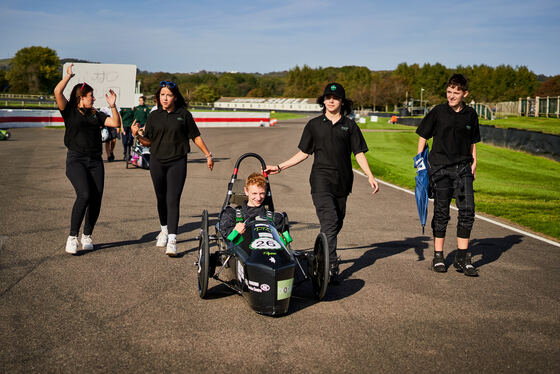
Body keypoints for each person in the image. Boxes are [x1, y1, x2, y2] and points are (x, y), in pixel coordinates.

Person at [265, 82, 379, 284]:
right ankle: (330, 265)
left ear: (342, 102)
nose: (331, 100)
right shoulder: (314, 125)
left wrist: (369, 175)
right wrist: (280, 167)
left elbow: (358, 153)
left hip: (343, 182)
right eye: (327, 97)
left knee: (336, 222)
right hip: (320, 181)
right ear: (323, 100)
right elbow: (303, 153)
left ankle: (320, 255)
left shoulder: (350, 125)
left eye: (335, 98)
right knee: (330, 220)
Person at [131, 80, 214, 256]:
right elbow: (148, 141)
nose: (165, 98)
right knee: (161, 198)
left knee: (172, 199)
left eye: (168, 95)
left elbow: (195, 137)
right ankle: (164, 230)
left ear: (175, 97)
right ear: (158, 97)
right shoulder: (154, 116)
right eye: (162, 95)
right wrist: (137, 135)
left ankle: (173, 240)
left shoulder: (183, 114)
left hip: (177, 161)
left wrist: (207, 155)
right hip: (157, 161)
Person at [416, 73, 480, 276]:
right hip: (440, 168)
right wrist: (420, 163)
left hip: (463, 168)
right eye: (449, 92)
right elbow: (423, 137)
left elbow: (473, 142)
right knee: (442, 212)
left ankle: (462, 257)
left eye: (456, 92)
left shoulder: (471, 115)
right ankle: (438, 256)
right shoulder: (438, 112)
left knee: (468, 210)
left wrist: (474, 162)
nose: (451, 96)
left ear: (465, 93)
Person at [54, 63, 122, 254]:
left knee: (96, 198)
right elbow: (57, 91)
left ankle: (87, 235)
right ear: (81, 98)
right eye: (90, 96)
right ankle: (72, 237)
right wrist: (69, 76)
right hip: (75, 160)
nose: (93, 99)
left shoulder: (96, 114)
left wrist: (113, 106)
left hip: (95, 161)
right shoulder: (68, 110)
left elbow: (115, 123)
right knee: (84, 194)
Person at [219, 172, 287, 243]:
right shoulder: (231, 214)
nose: (258, 198)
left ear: (266, 192)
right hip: (242, 251)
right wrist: (235, 231)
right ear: (246, 191)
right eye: (254, 193)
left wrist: (282, 237)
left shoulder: (275, 218)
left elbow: (285, 243)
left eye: (262, 193)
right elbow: (226, 240)